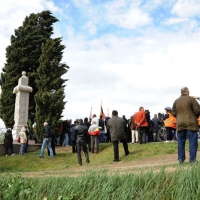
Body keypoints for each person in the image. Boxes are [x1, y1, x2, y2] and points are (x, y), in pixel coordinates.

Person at [171, 87, 200, 163]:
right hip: (191, 123)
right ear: (187, 91)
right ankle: (192, 160)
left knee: (181, 141)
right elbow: (197, 110)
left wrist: (179, 117)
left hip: (180, 123)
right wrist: (195, 116)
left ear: (181, 92)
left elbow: (173, 112)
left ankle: (181, 160)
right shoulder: (191, 99)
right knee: (193, 142)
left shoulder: (176, 101)